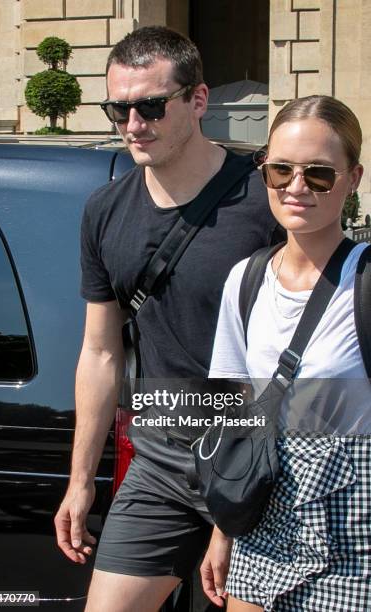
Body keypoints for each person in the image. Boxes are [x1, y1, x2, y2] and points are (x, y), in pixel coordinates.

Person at [54, 25, 281, 612]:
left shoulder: (264, 203)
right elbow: (100, 352)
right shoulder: (105, 210)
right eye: (119, 109)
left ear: (198, 100)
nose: (133, 125)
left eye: (151, 106)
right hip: (159, 462)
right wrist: (81, 481)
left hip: (255, 463)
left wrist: (230, 519)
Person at [202, 95, 370, 611]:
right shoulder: (246, 279)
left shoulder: (364, 279)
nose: (296, 188)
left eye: (318, 174)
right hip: (262, 517)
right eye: (281, 170)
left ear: (353, 179)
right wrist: (222, 529)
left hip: (355, 530)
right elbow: (233, 411)